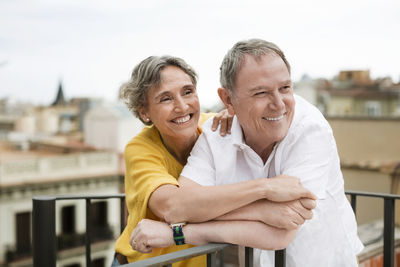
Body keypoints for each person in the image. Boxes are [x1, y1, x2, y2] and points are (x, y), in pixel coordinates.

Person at [131, 39, 364, 267]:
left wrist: (179, 233)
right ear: (228, 100)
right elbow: (179, 207)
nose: (279, 104)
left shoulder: (310, 129)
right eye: (261, 93)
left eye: (285, 88)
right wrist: (265, 200)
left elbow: (279, 234)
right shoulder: (214, 136)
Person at [113, 55, 317, 266]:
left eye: (188, 92)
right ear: (144, 112)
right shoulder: (140, 148)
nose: (182, 107)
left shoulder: (215, 127)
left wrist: (234, 115)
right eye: (166, 98)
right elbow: (173, 207)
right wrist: (264, 196)